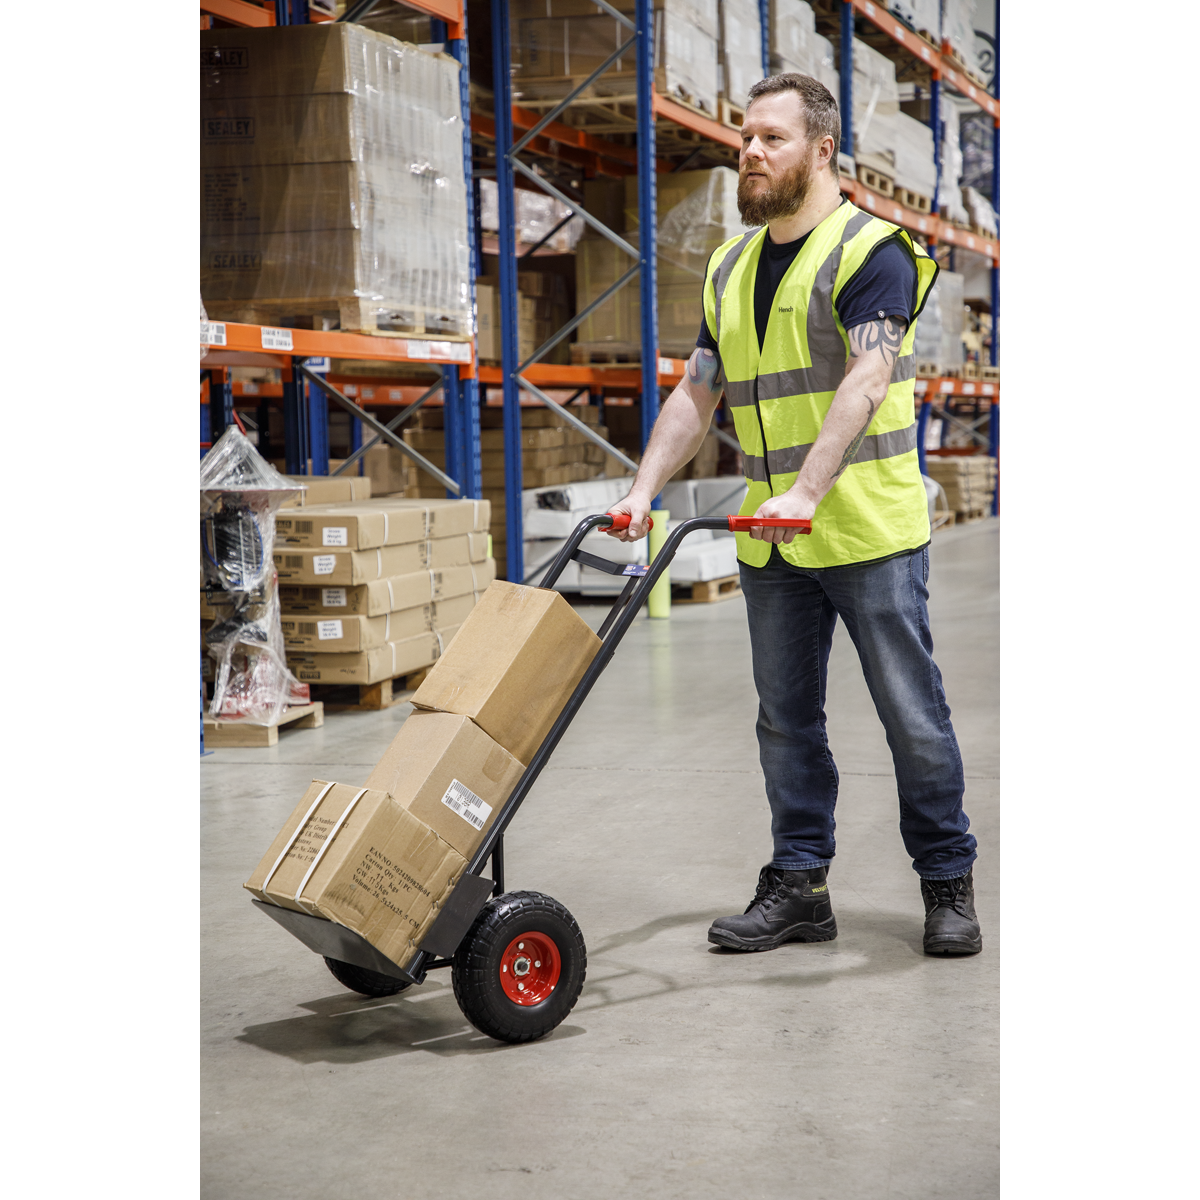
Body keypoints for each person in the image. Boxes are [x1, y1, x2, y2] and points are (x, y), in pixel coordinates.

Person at [605, 73, 982, 957]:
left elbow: (868, 375)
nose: (749, 152)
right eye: (745, 136)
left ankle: (946, 880)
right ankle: (800, 885)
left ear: (821, 150)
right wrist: (641, 488)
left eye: (771, 138)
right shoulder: (731, 265)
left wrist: (808, 491)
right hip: (773, 543)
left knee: (911, 716)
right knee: (785, 720)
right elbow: (700, 390)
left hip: (866, 533)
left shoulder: (870, 249)